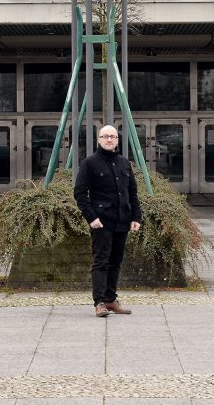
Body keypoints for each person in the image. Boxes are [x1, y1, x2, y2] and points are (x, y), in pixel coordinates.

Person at [73, 124, 142, 317]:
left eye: (113, 136)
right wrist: (91, 217)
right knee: (101, 262)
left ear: (118, 140)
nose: (109, 139)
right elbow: (79, 193)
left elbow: (132, 192)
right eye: (105, 136)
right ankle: (100, 302)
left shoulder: (124, 163)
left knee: (116, 261)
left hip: (122, 220)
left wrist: (136, 216)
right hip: (101, 222)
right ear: (98, 139)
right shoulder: (90, 163)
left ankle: (111, 300)